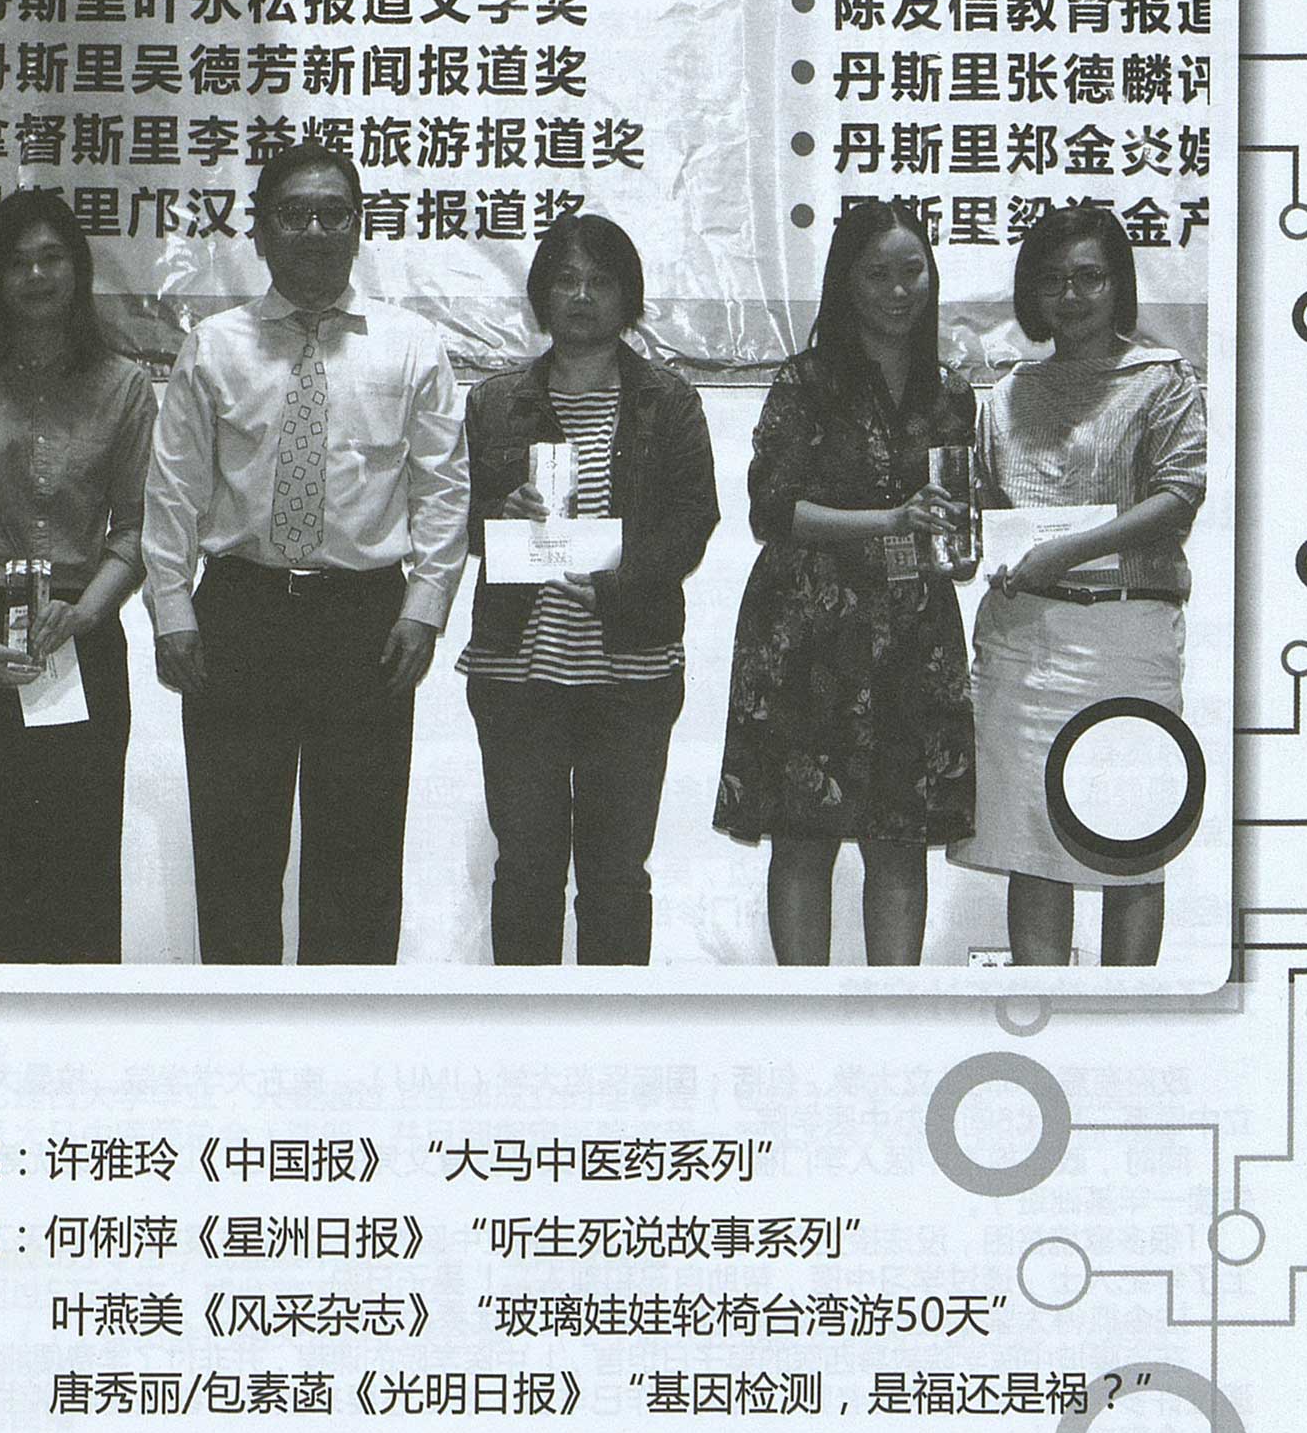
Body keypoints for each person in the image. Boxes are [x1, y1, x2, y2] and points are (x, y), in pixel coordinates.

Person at [143, 142, 468, 965]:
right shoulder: (213, 347)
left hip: (366, 622)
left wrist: (426, 609)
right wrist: (171, 609)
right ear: (259, 232)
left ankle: (349, 1041)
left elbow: (443, 490)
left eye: (333, 214)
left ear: (359, 228)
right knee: (235, 859)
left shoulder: (412, 345)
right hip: (240, 614)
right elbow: (173, 491)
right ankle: (238, 1038)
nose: (315, 231)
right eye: (294, 215)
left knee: (358, 864)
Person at [713, 200, 975, 965]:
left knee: (901, 838)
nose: (898, 290)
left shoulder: (951, 392)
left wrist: (963, 542)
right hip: (808, 631)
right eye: (877, 274)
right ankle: (805, 1015)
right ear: (845, 283)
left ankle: (894, 1015)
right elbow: (773, 510)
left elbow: (957, 521)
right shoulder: (806, 382)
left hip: (914, 629)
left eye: (912, 271)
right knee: (802, 835)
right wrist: (891, 519)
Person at [949, 203, 1206, 967]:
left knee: (1134, 838)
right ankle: (1046, 1006)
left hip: (1126, 639)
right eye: (1053, 280)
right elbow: (987, 512)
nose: (1072, 295)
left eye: (1090, 277)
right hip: (1026, 642)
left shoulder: (1163, 380)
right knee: (1033, 847)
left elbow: (1179, 496)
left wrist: (1066, 552)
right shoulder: (1006, 393)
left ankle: (1126, 1022)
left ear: (1118, 284)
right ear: (1031, 292)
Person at [459, 214, 719, 965]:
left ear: (628, 298)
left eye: (600, 282)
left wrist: (615, 582)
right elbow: (454, 519)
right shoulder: (496, 401)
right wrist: (498, 515)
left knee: (616, 879)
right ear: (542, 294)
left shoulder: (667, 400)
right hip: (518, 670)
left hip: (630, 671)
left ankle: (617, 1032)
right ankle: (526, 1033)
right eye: (566, 280)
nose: (581, 296)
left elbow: (692, 520)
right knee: (525, 873)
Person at [0, 189, 153, 964]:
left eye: (53, 258)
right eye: (17, 263)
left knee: (80, 868)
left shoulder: (124, 385)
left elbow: (136, 528)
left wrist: (86, 613)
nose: (37, 275)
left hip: (81, 632)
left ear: (79, 271)